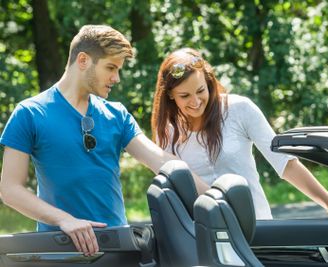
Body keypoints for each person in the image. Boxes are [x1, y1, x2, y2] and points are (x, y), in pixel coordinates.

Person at [0, 25, 197, 257]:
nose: (116, 78)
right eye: (111, 68)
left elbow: (163, 162)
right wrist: (65, 220)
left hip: (117, 248)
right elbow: (10, 190)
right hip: (61, 251)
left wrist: (217, 196)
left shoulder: (117, 115)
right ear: (83, 60)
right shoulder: (30, 113)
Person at [151, 47, 328, 227]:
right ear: (170, 96)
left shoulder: (239, 110)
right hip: (202, 235)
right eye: (184, 96)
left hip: (255, 228)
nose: (195, 101)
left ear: (209, 82)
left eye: (200, 90)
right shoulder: (168, 133)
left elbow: (286, 164)